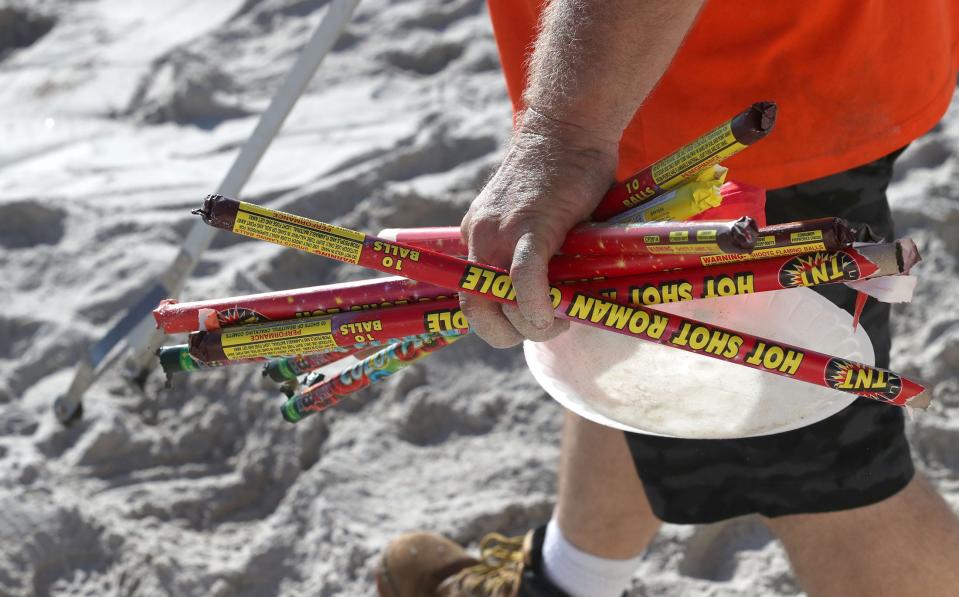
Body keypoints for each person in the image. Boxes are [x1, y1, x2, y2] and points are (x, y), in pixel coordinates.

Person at [375, 1, 959, 596]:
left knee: (827, 485)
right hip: (785, 58)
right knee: (629, 347)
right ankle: (566, 581)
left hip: (719, 106)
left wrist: (567, 135)